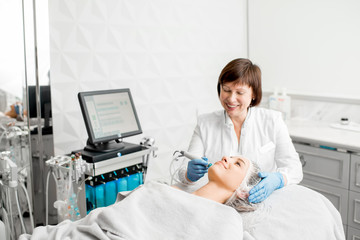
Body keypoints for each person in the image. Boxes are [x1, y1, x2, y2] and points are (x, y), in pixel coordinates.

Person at [178, 58, 303, 203]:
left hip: (257, 203)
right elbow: (182, 173)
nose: (231, 99)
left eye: (240, 92)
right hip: (216, 203)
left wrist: (279, 179)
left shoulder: (272, 121)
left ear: (253, 94)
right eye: (226, 90)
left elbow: (294, 168)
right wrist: (189, 175)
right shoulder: (205, 123)